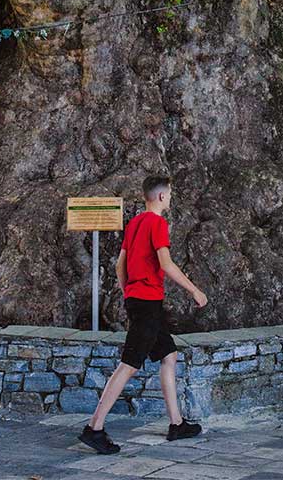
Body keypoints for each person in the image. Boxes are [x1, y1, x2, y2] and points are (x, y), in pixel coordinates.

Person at [78, 174, 208, 456]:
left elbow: (119, 267)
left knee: (169, 355)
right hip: (148, 302)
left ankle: (177, 423)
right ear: (161, 196)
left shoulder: (135, 222)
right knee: (129, 364)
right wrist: (194, 290)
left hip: (140, 300)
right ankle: (95, 428)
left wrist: (128, 294)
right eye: (170, 194)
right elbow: (166, 263)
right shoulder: (157, 223)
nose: (170, 198)